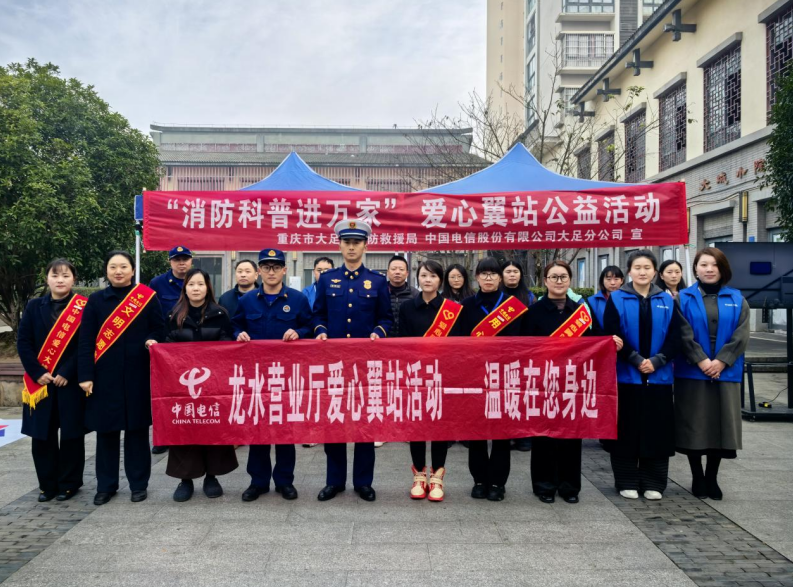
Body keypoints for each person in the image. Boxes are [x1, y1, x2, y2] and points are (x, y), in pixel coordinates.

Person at [523, 260, 620, 504]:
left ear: (570, 280)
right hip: (543, 383)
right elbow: (522, 347)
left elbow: (596, 339)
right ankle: (544, 485)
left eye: (563, 277)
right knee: (543, 435)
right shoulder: (533, 312)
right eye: (554, 277)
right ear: (545, 281)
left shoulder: (581, 312)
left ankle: (569, 487)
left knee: (571, 435)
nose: (559, 281)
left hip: (572, 383)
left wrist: (610, 342)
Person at [313, 220, 393, 502]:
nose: (351, 247)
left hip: (365, 364)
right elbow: (318, 314)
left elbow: (386, 318)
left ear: (365, 246)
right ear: (339, 245)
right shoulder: (327, 279)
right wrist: (320, 331)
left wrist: (378, 332)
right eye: (346, 242)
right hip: (334, 363)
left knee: (364, 422)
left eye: (356, 242)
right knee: (334, 420)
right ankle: (334, 481)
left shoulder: (377, 281)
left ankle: (363, 482)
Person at [78, 251, 165, 505]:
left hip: (138, 375)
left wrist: (153, 339)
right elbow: (86, 340)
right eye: (113, 267)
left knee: (137, 432)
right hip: (104, 378)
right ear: (106, 271)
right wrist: (86, 375)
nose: (118, 271)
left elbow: (160, 329)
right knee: (106, 433)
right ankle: (106, 486)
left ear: (132, 270)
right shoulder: (96, 300)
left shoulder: (146, 297)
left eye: (124, 266)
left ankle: (138, 484)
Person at [602, 250, 683, 501]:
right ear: (629, 271)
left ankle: (654, 482)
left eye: (647, 267)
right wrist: (637, 360)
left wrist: (657, 362)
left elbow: (676, 336)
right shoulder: (617, 298)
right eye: (637, 267)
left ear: (655, 272)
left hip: (659, 377)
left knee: (657, 431)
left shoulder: (667, 299)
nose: (642, 272)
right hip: (627, 376)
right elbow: (612, 334)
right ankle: (626, 480)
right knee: (626, 430)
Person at [233, 249, 313, 502]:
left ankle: (284, 481)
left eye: (276, 267)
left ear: (284, 270)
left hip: (286, 376)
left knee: (285, 431)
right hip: (256, 376)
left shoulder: (298, 300)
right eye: (266, 267)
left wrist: (299, 332)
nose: (271, 271)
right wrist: (238, 334)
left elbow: (310, 326)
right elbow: (235, 325)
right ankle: (258, 482)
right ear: (259, 271)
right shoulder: (247, 300)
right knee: (258, 430)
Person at [675, 248, 749, 501]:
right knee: (694, 424)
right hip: (692, 372)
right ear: (695, 269)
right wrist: (702, 360)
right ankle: (697, 476)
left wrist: (721, 361)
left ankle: (712, 477)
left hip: (725, 372)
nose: (709, 269)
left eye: (714, 265)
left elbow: (741, 335)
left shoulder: (737, 298)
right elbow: (682, 333)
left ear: (722, 268)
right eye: (703, 264)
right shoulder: (683, 298)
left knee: (721, 425)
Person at [458, 257, 528, 502]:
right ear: (476, 277)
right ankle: (479, 480)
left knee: (501, 433)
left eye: (493, 274)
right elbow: (458, 343)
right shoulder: (466, 306)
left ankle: (498, 482)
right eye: (483, 274)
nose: (488, 278)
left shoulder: (513, 306)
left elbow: (523, 342)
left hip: (505, 375)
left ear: (500, 277)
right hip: (475, 376)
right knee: (476, 432)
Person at [165, 268, 239, 502]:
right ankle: (185, 479)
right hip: (182, 384)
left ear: (208, 288)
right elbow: (167, 347)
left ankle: (211, 477)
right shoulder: (174, 315)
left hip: (213, 384)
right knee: (184, 429)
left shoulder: (220, 314)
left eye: (200, 284)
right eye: (191, 284)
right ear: (184, 288)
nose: (196, 288)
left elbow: (227, 346)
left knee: (212, 428)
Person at [17, 259, 87, 502]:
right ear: (47, 279)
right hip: (41, 383)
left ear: (74, 279)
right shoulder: (34, 306)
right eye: (55, 275)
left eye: (65, 275)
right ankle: (47, 485)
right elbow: (24, 342)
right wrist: (37, 372)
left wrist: (67, 371)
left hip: (69, 382)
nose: (60, 280)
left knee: (71, 435)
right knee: (42, 436)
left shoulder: (84, 307)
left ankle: (69, 484)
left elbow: (87, 344)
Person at [398, 259, 462, 502]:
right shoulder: (407, 307)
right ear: (418, 278)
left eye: (433, 276)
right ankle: (418, 475)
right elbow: (402, 341)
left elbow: (457, 346)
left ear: (440, 280)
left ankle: (437, 476)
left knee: (439, 426)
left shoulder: (451, 309)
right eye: (424, 275)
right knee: (417, 425)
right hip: (415, 373)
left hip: (443, 374)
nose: (428, 280)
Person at [148, 245, 193, 455]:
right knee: (163, 394)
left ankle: (189, 432)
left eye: (185, 259)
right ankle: (163, 437)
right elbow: (151, 315)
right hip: (166, 349)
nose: (181, 263)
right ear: (170, 262)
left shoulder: (197, 279)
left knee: (190, 393)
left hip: (192, 347)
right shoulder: (157, 283)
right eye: (177, 259)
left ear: (191, 261)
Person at [501, 260, 536, 453]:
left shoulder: (529, 297)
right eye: (508, 271)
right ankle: (505, 434)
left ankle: (524, 436)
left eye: (515, 271)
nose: (512, 274)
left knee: (524, 395)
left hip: (524, 353)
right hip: (500, 354)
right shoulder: (497, 298)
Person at [386, 255, 419, 337]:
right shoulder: (380, 292)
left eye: (401, 269)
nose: (397, 272)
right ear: (388, 272)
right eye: (393, 269)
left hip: (407, 340)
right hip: (384, 339)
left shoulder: (415, 294)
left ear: (407, 273)